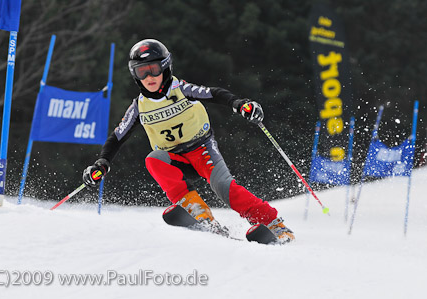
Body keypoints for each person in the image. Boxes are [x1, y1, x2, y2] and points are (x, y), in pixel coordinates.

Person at [82, 39, 294, 243]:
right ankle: (198, 212)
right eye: (142, 71)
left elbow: (214, 93)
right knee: (153, 160)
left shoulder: (180, 89)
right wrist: (102, 163)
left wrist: (240, 104)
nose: (149, 76)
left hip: (202, 149)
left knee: (224, 188)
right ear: (135, 75)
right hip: (175, 158)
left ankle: (274, 224)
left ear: (165, 68)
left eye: (154, 69)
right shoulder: (139, 106)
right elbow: (117, 137)